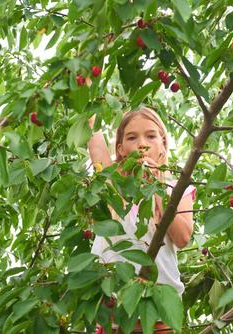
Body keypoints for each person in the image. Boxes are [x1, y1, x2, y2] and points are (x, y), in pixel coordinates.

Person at [88, 107, 196, 334]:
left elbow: (183, 237)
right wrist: (85, 83)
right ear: (120, 149)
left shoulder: (178, 189)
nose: (142, 144)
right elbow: (93, 136)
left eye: (150, 136)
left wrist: (157, 188)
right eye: (131, 137)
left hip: (159, 308)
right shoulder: (113, 185)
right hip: (113, 310)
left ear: (163, 144)